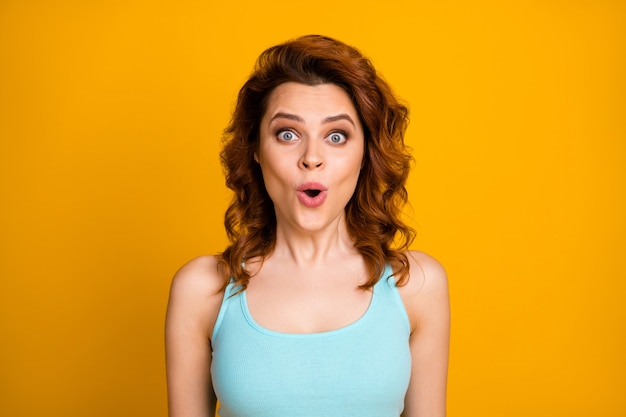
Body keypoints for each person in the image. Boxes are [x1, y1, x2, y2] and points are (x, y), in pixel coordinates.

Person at [165, 34, 450, 417]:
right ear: (256, 150)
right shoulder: (203, 291)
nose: (311, 158)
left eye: (336, 136)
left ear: (365, 154)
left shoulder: (415, 286)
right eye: (287, 134)